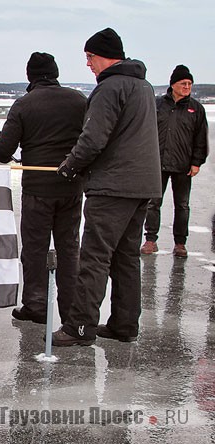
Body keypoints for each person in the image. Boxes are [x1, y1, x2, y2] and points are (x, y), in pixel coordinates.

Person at [51, 27, 162, 346]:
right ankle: (125, 325)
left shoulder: (109, 88)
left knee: (95, 257)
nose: (88, 64)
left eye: (90, 57)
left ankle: (80, 326)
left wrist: (70, 165)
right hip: (143, 186)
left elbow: (93, 138)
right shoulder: (143, 86)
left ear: (105, 56)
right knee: (126, 256)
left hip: (113, 187)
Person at [0, 52, 87, 325]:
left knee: (35, 250)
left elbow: (2, 152)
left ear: (30, 76)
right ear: (55, 73)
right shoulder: (80, 100)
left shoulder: (24, 104)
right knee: (69, 249)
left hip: (37, 188)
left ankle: (35, 306)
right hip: (71, 187)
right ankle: (70, 309)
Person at [140, 65, 209, 258]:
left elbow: (200, 138)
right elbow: (146, 132)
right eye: (183, 83)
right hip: (157, 163)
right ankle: (150, 240)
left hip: (183, 165)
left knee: (182, 205)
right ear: (173, 85)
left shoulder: (196, 108)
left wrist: (197, 162)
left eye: (189, 84)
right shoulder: (158, 105)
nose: (187, 87)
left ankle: (180, 243)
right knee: (153, 203)